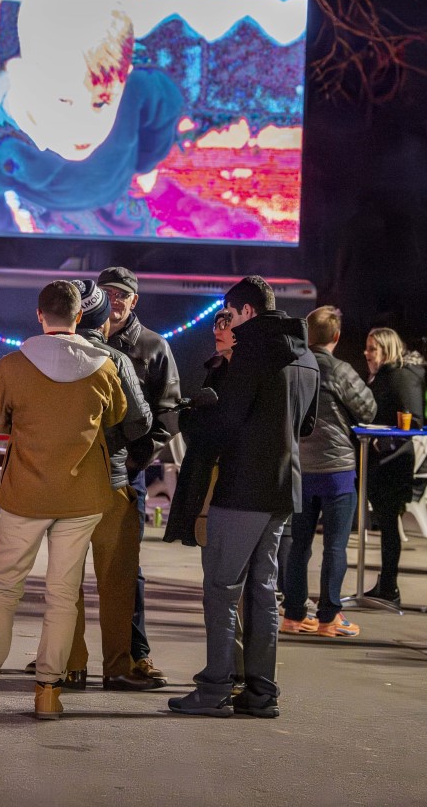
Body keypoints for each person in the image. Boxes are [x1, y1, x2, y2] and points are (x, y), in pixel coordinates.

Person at [0, 281, 126, 720]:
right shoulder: (104, 366)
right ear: (78, 317)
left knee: (5, 590)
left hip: (25, 493)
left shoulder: (14, 365)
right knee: (63, 595)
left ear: (39, 315)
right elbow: (117, 415)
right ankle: (48, 692)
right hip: (82, 496)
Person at [169, 276, 318, 718]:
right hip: (282, 490)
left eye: (230, 315)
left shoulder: (252, 353)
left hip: (240, 489)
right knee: (262, 591)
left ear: (247, 311)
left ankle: (215, 687)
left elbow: (224, 425)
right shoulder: (305, 356)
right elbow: (305, 426)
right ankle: (261, 692)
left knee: (220, 588)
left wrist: (196, 414)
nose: (227, 323)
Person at [0, 0, 183, 237]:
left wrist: (146, 163)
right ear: (23, 79)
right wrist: (7, 240)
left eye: (101, 104)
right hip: (47, 204)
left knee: (131, 243)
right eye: (63, 101)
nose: (83, 126)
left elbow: (165, 103)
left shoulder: (138, 88)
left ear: (124, 81)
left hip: (114, 186)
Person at [65, 279, 156, 690]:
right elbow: (141, 422)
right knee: (116, 584)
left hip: (60, 489)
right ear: (102, 321)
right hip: (111, 483)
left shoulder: (41, 355)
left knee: (66, 582)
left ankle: (71, 665)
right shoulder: (115, 360)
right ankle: (117, 667)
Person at [97, 265, 181, 685]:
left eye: (121, 295)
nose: (113, 300)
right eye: (106, 292)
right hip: (79, 473)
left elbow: (167, 417)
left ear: (134, 301)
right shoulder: (81, 338)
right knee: (67, 563)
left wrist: (134, 463)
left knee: (126, 568)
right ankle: (64, 654)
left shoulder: (152, 346)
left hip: (125, 475)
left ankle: (135, 654)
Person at [281, 306, 376, 639]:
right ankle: (329, 617)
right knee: (335, 547)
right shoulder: (341, 370)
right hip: (337, 471)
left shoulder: (292, 366)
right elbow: (368, 408)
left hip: (299, 468)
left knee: (298, 545)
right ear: (336, 336)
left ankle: (293, 616)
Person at [362, 327, 425, 605]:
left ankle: (389, 586)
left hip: (393, 462)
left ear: (386, 350)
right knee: (386, 525)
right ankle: (386, 584)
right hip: (379, 461)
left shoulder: (400, 377)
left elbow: (413, 420)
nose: (366, 353)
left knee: (389, 525)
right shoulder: (383, 376)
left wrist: (381, 443)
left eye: (372, 348)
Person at [164, 307, 234, 547]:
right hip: (208, 476)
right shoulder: (216, 367)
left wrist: (194, 416)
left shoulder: (246, 373)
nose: (217, 330)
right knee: (211, 555)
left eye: (226, 324)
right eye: (216, 325)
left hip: (231, 481)